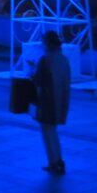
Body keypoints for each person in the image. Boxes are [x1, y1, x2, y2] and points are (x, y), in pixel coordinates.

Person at [32, 31, 71, 175]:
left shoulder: (45, 59)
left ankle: (53, 162)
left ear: (47, 43)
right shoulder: (64, 59)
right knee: (53, 131)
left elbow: (37, 80)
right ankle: (59, 160)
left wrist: (32, 70)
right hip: (60, 100)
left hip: (46, 101)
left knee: (47, 132)